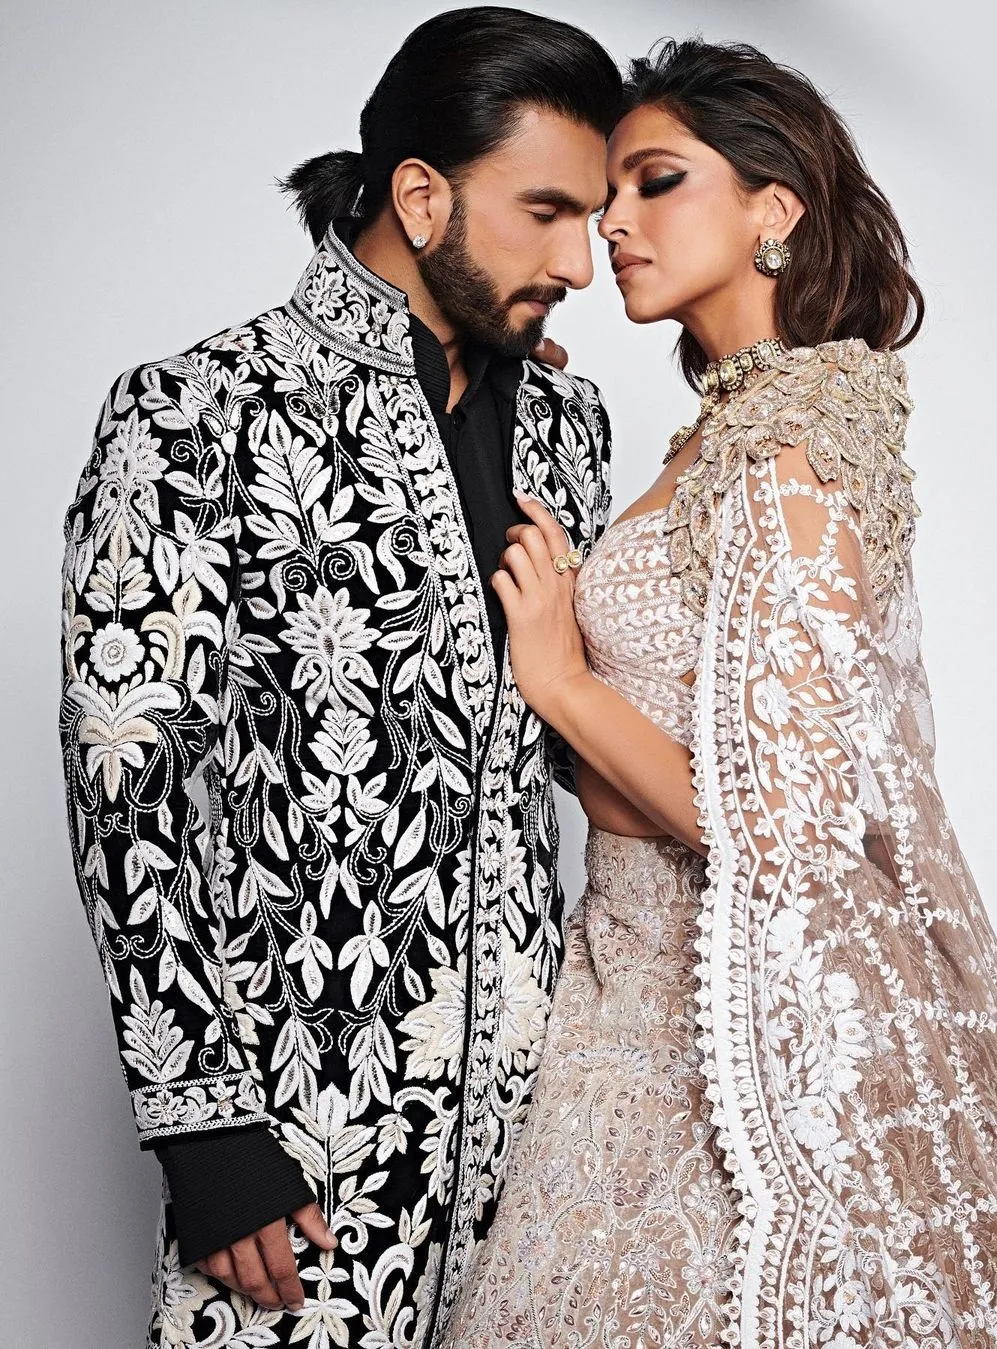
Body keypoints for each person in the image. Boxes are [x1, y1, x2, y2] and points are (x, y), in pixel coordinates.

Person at [446, 39, 997, 1349]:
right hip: (625, 1000)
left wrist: (558, 680)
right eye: (609, 193)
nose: (613, 222)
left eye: (657, 181)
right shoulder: (724, 435)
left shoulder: (796, 443)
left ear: (771, 208)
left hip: (722, 1035)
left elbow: (784, 828)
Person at [58, 10, 619, 1346]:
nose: (580, 264)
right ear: (420, 198)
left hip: (536, 1138)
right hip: (298, 1134)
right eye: (546, 213)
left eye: (593, 219)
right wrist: (202, 1132)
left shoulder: (568, 425)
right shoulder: (196, 413)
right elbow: (130, 785)